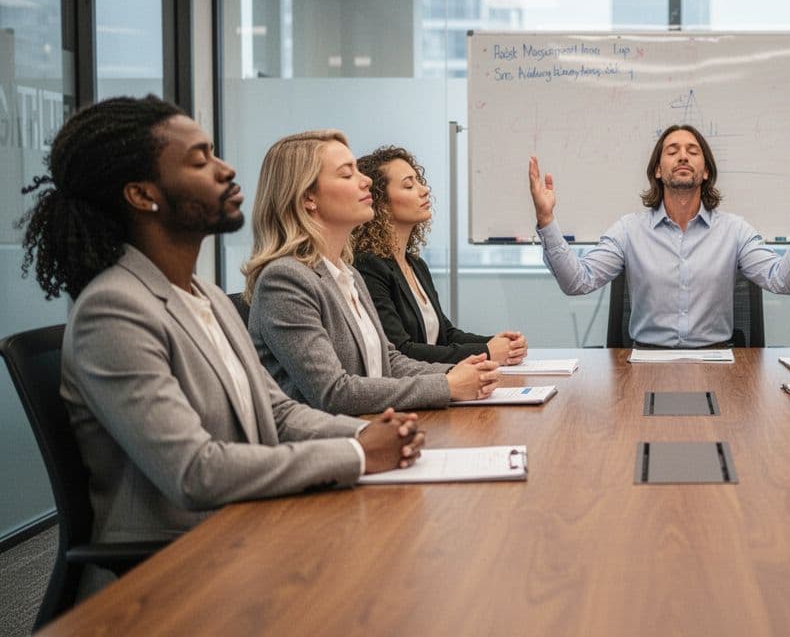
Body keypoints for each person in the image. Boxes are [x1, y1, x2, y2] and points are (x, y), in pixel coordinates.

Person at [18, 96, 423, 549]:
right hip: (178, 566)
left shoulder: (203, 294)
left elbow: (277, 411)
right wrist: (355, 453)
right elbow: (196, 471)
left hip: (248, 529)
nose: (225, 170)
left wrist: (366, 433)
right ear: (142, 194)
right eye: (200, 161)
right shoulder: (113, 310)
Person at [244, 130, 500, 415]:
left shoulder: (347, 274)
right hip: (335, 447)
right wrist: (447, 385)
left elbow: (388, 362)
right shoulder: (285, 280)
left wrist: (461, 371)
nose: (365, 180)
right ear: (308, 198)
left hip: (380, 430)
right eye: (346, 174)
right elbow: (334, 393)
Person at [528, 124, 790, 348]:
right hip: (646, 363)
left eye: (692, 151)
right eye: (672, 151)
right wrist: (546, 220)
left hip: (717, 363)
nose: (683, 156)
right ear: (658, 170)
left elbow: (783, 281)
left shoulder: (734, 231)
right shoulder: (629, 230)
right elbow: (577, 282)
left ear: (706, 171)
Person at [352, 146, 527, 365]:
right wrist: (488, 351)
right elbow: (400, 351)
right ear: (380, 203)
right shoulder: (368, 266)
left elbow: (445, 335)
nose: (424, 189)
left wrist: (499, 343)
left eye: (418, 181)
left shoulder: (415, 265)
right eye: (408, 185)